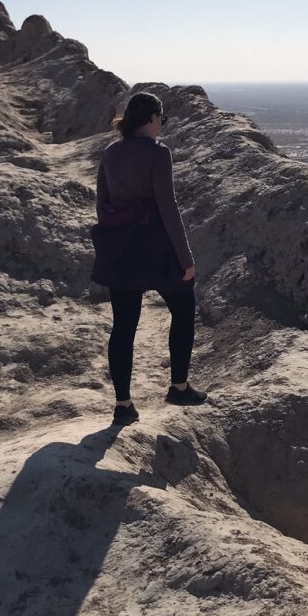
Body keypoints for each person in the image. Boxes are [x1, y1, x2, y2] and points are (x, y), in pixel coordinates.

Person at [91, 91, 208, 425]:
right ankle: (178, 386)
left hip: (122, 252)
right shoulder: (159, 153)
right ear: (153, 118)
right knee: (184, 309)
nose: (162, 126)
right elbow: (168, 208)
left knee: (124, 326)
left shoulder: (110, 153)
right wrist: (185, 257)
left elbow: (102, 204)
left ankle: (123, 405)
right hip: (157, 250)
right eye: (162, 120)